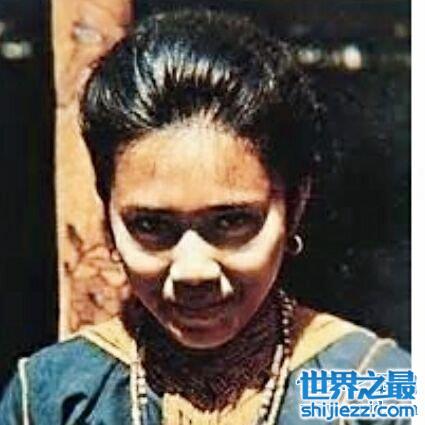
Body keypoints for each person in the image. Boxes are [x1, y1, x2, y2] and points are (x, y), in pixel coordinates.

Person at [0, 9, 410, 425]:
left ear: (295, 206)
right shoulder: (57, 396)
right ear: (108, 217)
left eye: (231, 222)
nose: (193, 271)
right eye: (151, 226)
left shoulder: (362, 381)